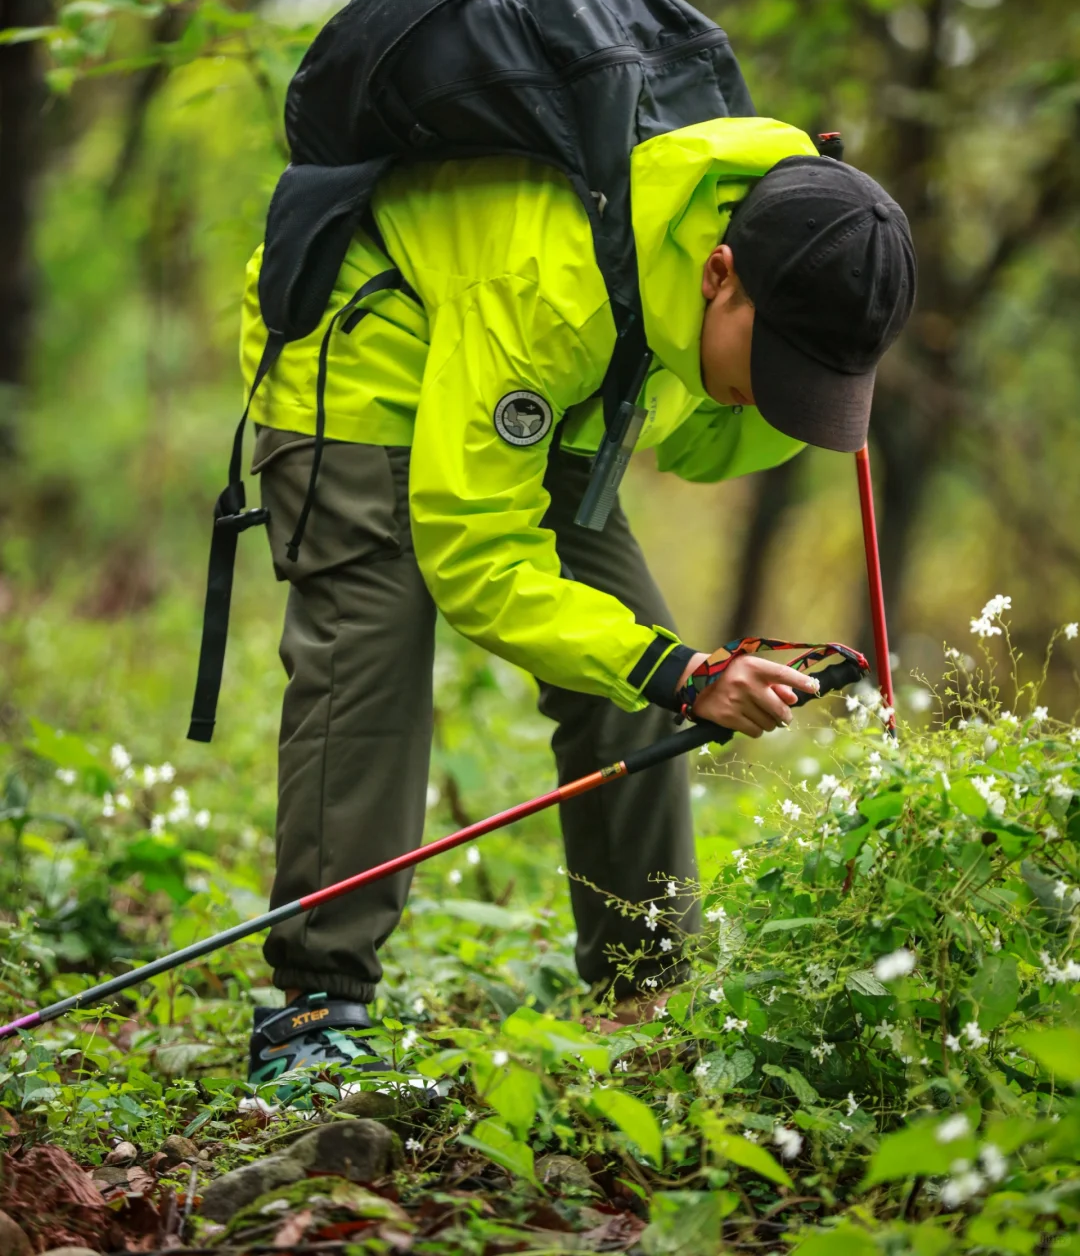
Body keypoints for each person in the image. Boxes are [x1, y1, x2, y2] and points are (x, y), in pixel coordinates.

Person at [241, 115, 915, 1083]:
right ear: (718, 273)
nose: (781, 394)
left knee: (633, 668)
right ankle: (315, 1003)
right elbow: (476, 556)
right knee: (372, 655)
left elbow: (701, 440)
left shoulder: (776, 224)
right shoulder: (552, 293)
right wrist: (678, 671)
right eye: (778, 365)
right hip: (361, 334)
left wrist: (670, 672)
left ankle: (646, 991)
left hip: (538, 373)